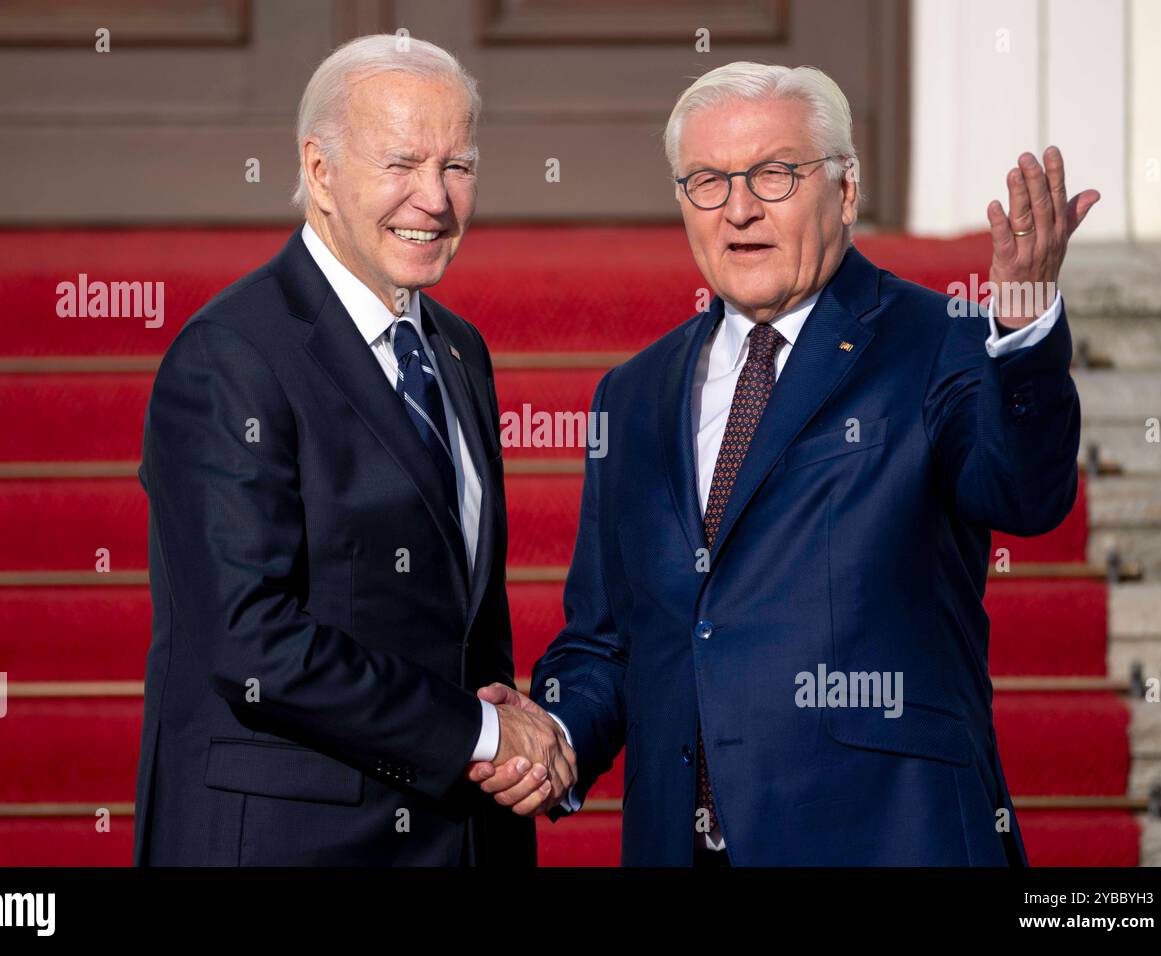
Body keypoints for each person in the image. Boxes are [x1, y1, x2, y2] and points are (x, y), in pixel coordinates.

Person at [470, 62, 1096, 866]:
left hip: (891, 838)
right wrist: (552, 734)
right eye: (706, 181)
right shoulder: (630, 395)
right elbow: (610, 642)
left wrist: (1024, 327)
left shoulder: (939, 340)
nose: (738, 209)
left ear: (844, 191)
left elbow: (1026, 492)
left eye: (774, 174)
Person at [133, 34, 572, 866]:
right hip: (293, 840)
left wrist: (511, 753)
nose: (435, 200)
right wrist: (480, 733)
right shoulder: (231, 353)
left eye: (458, 166)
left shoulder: (457, 349)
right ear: (321, 170)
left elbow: (464, 627)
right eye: (401, 164)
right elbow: (249, 636)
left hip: (459, 838)